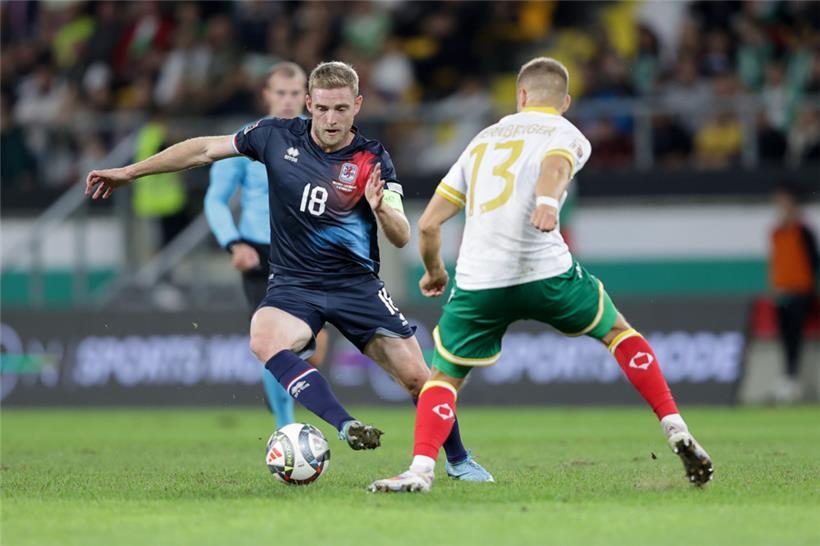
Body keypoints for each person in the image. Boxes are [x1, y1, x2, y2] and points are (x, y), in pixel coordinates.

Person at [85, 61, 492, 481]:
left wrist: (382, 211)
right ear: (309, 104)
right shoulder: (274, 136)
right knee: (263, 338)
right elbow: (203, 149)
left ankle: (459, 460)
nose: (331, 120)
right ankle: (345, 424)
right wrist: (130, 172)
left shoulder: (372, 158)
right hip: (294, 284)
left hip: (356, 286)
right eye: (323, 109)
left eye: (341, 109)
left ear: (357, 105)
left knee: (419, 380)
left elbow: (402, 235)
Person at [369, 57, 714, 493]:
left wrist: (435, 271)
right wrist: (548, 203)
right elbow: (555, 166)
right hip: (546, 272)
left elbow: (428, 224)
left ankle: (420, 469)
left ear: (521, 95)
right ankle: (674, 425)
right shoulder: (565, 132)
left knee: (444, 378)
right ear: (565, 101)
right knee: (619, 333)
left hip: (480, 282)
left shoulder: (482, 140)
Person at [204, 61, 328, 427]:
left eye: (294, 93)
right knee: (276, 344)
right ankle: (285, 428)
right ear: (266, 95)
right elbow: (215, 199)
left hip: (310, 252)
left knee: (313, 349)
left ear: (306, 97)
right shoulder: (247, 140)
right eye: (281, 93)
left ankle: (283, 391)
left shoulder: (324, 138)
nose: (288, 100)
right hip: (261, 253)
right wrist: (233, 244)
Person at [769, 186, 819, 403]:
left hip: (801, 292)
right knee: (787, 338)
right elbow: (776, 263)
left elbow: (813, 262)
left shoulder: (803, 232)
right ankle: (789, 380)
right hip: (782, 293)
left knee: (797, 338)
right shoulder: (776, 233)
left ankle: (794, 381)